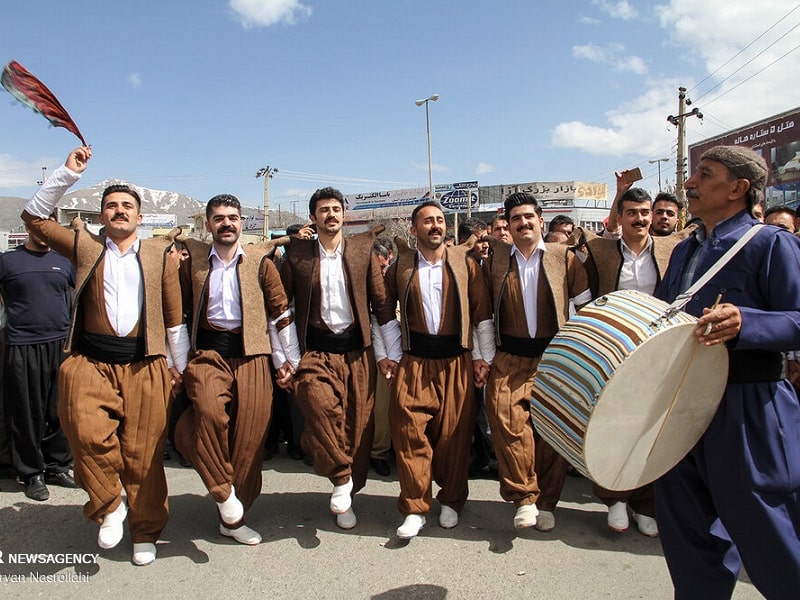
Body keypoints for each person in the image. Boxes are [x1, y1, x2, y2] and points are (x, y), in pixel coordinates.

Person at [21, 146, 187, 567]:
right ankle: (109, 505)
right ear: (101, 217)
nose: (118, 211)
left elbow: (173, 317)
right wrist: (67, 173)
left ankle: (146, 529)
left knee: (144, 452)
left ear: (140, 216)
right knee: (84, 429)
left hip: (145, 364)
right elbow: (35, 218)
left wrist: (178, 366)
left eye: (127, 206)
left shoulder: (158, 254)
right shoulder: (84, 246)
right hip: (89, 361)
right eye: (111, 206)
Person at [654, 145, 800, 599]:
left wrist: (749, 323)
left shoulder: (772, 243)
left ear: (737, 189)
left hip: (748, 408)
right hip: (682, 408)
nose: (689, 183)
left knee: (772, 536)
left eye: (704, 174)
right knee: (689, 537)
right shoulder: (683, 250)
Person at [173, 194, 300, 546]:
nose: (226, 223)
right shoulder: (194, 262)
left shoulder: (260, 262)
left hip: (253, 356)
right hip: (208, 354)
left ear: (242, 222)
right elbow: (176, 315)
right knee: (208, 417)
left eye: (232, 217)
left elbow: (281, 315)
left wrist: (288, 362)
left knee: (250, 441)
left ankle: (233, 518)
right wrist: (179, 365)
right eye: (218, 218)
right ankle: (221, 491)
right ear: (208, 224)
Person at [280, 187, 401, 530]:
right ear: (313, 217)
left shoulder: (362, 250)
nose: (330, 214)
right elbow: (282, 308)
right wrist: (287, 357)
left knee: (357, 427)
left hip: (357, 352)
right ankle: (341, 473)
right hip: (316, 350)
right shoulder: (298, 254)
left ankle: (345, 490)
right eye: (323, 210)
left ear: (343, 215)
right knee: (313, 400)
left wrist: (388, 355)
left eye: (335, 209)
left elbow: (381, 307)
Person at [583, 177, 688, 537]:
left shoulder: (672, 248)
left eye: (646, 213)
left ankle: (646, 504)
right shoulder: (601, 251)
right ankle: (615, 500)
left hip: (658, 352)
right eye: (633, 213)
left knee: (650, 430)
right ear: (621, 216)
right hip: (612, 352)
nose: (641, 219)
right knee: (614, 427)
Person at [384, 201, 494, 539]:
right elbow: (385, 314)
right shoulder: (400, 266)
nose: (435, 226)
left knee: (453, 438)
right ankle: (415, 507)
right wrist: (388, 355)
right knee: (409, 433)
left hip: (456, 361)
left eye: (440, 220)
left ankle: (451, 499)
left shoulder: (464, 263)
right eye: (427, 221)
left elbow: (482, 314)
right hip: (414, 361)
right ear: (414, 230)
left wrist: (482, 358)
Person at [483, 193, 591, 532]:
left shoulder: (565, 257)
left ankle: (546, 503)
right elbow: (484, 315)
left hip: (554, 358)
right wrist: (484, 357)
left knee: (552, 433)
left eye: (529, 217)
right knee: (505, 419)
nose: (523, 223)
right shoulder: (496, 260)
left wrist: (579, 357)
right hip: (509, 358)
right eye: (516, 218)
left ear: (541, 221)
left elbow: (585, 309)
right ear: (509, 226)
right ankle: (525, 497)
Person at [0, 218, 76, 501]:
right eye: (38, 227)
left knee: (59, 411)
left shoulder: (65, 262)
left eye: (49, 227)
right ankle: (31, 473)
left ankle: (57, 466)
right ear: (29, 229)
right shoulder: (8, 262)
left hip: (60, 345)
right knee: (26, 412)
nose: (44, 233)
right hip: (22, 346)